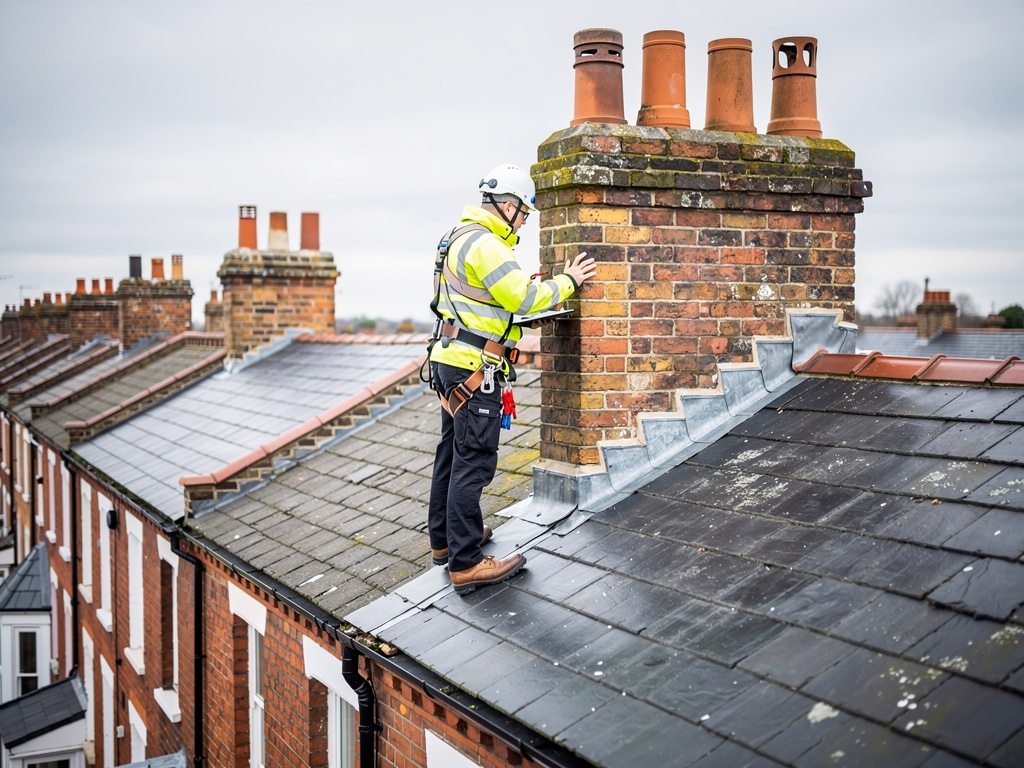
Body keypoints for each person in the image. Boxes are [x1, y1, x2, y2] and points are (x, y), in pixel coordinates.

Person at [427, 163, 596, 595]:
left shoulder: (456, 237)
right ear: (506, 205)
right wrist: (569, 282)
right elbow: (522, 298)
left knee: (452, 453)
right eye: (523, 212)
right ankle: (466, 562)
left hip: (451, 359)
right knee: (475, 461)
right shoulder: (487, 244)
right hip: (474, 364)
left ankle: (445, 543)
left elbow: (486, 300)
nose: (523, 220)